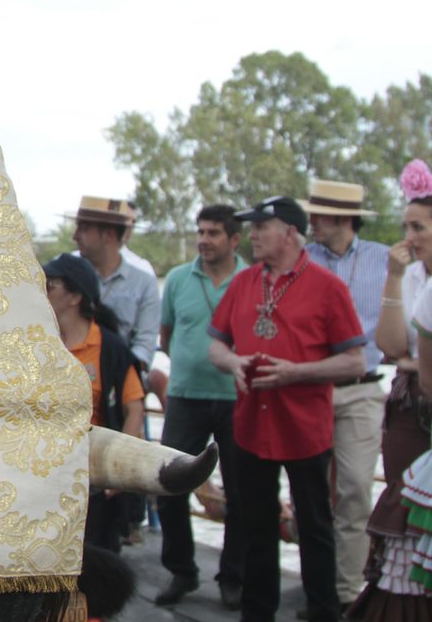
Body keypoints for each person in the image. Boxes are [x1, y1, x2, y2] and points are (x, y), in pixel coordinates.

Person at [208, 195, 366, 622]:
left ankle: (323, 613)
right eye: (253, 227)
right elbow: (215, 346)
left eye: (262, 226)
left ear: (291, 233)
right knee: (257, 529)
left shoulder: (329, 287)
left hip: (304, 428)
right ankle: (257, 614)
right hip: (250, 427)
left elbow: (356, 362)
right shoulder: (243, 283)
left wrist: (295, 372)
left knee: (315, 528)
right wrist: (234, 362)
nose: (253, 235)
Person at [349, 161, 432, 622]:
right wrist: (392, 276)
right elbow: (390, 347)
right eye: (406, 225)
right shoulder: (411, 277)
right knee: (407, 508)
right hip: (413, 406)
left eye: (420, 226)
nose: (410, 235)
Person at [154, 205, 249, 609]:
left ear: (234, 240)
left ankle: (233, 577)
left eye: (213, 233)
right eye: (200, 231)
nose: (204, 239)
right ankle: (182, 571)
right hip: (185, 397)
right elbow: (167, 334)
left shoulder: (251, 280)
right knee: (169, 483)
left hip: (238, 398)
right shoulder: (177, 278)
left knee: (243, 491)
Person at [303, 177, 391, 604]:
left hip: (362, 389)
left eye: (317, 214)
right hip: (309, 388)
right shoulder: (301, 260)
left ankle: (346, 594)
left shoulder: (386, 260)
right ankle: (317, 590)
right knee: (310, 491)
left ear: (341, 217)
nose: (311, 221)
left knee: (355, 488)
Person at [42, 252, 144, 552]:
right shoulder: (38, 343)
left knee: (96, 562)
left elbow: (134, 407)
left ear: (74, 296)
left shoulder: (110, 348)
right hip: (46, 474)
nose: (42, 292)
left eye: (50, 285)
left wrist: (121, 465)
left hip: (93, 478)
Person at [68, 196, 160, 370]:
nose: (75, 236)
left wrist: (117, 376)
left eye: (84, 228)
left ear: (109, 235)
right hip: (70, 383)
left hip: (123, 386)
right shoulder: (64, 276)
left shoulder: (144, 281)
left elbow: (145, 345)